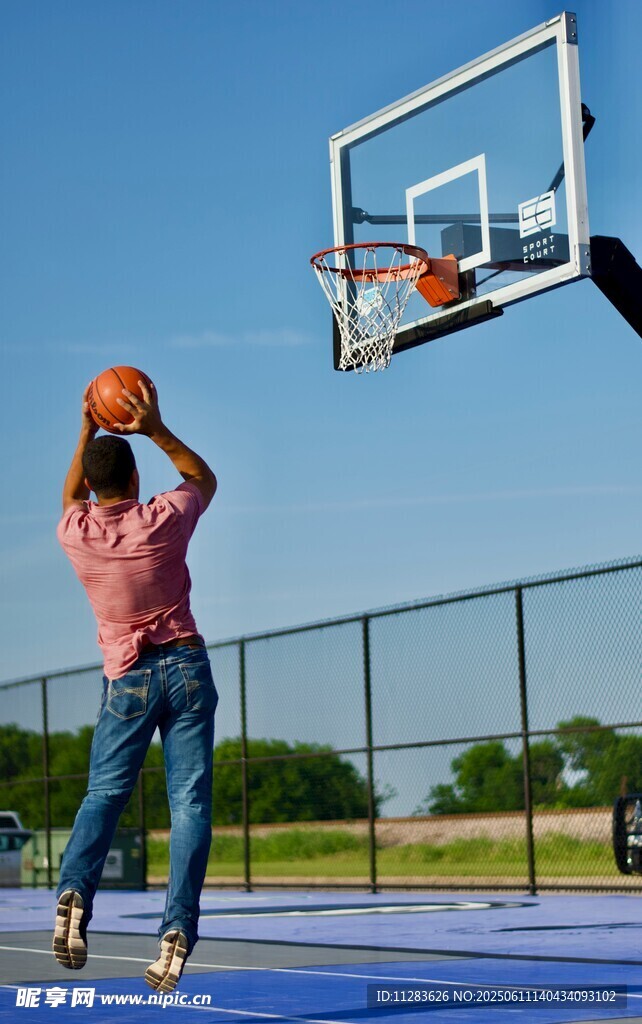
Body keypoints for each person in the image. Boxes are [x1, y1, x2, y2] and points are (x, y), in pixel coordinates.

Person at [53, 377, 218, 993]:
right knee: (191, 805)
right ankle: (177, 931)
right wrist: (153, 428)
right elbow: (203, 479)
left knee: (104, 794)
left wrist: (86, 429)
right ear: (135, 482)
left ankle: (74, 893)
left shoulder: (77, 534)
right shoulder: (164, 518)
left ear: (93, 488)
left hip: (127, 679)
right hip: (186, 667)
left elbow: (71, 493)